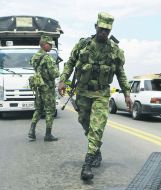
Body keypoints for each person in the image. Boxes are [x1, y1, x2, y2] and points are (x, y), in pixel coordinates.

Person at [58, 12, 132, 180]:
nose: (104, 32)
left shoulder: (114, 50)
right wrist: (63, 80)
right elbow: (70, 63)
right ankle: (96, 150)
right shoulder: (83, 45)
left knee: (97, 127)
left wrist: (127, 94)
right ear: (95, 27)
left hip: (101, 94)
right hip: (83, 92)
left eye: (107, 30)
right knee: (85, 123)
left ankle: (88, 164)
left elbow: (121, 73)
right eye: (101, 29)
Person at [28, 35, 60, 142]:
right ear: (45, 44)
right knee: (50, 110)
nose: (51, 46)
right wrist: (56, 69)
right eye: (50, 44)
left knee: (38, 109)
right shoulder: (47, 58)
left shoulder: (35, 57)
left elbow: (37, 69)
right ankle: (48, 134)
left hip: (39, 87)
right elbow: (54, 74)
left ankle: (31, 130)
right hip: (47, 87)